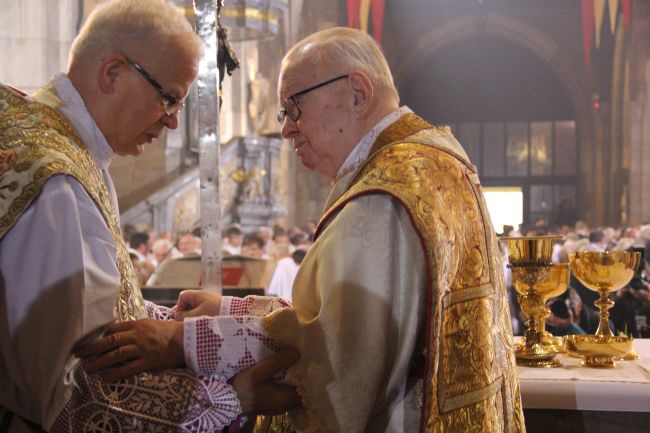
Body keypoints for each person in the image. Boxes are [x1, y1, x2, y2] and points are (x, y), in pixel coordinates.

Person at [80, 27, 524, 432]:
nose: (287, 129)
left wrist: (182, 342)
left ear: (357, 92)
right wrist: (232, 311)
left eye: (294, 107)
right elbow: (344, 319)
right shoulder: (435, 162)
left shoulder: (382, 198)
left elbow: (335, 360)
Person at [0, 1, 299, 431]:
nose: (175, 122)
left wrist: (167, 326)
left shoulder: (36, 128)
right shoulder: (57, 184)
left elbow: (89, 325)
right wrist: (232, 399)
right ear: (113, 73)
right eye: (170, 98)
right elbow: (70, 396)